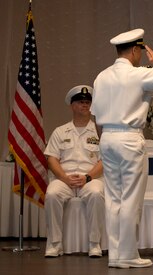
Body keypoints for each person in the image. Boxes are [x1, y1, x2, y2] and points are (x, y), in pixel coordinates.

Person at [90, 28, 153, 268]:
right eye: (140, 51)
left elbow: (96, 117)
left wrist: (104, 142)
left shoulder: (101, 77)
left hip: (107, 137)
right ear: (134, 50)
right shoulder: (140, 74)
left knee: (114, 198)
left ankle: (115, 254)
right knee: (131, 198)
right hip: (129, 139)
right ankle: (128, 254)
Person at [44, 85, 104, 258]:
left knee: (96, 193)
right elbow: (52, 158)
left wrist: (88, 177)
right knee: (52, 194)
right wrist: (64, 178)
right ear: (72, 105)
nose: (84, 105)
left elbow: (104, 160)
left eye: (87, 102)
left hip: (90, 178)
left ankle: (94, 243)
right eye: (80, 102)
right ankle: (55, 244)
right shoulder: (60, 131)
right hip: (64, 179)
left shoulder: (100, 132)